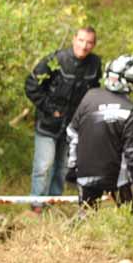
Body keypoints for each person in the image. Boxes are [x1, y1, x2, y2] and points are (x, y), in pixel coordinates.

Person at [24, 27, 101, 208]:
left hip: (73, 127)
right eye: (81, 40)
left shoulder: (95, 64)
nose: (84, 46)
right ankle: (36, 207)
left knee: (62, 170)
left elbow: (94, 92)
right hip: (48, 124)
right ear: (74, 39)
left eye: (89, 42)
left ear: (93, 45)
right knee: (43, 167)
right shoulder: (56, 59)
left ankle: (52, 206)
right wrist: (50, 109)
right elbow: (31, 84)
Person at [65, 54, 133, 211]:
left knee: (86, 216)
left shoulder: (90, 96)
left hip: (85, 174)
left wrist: (72, 166)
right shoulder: (130, 109)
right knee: (129, 218)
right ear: (132, 80)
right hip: (116, 178)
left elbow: (72, 132)